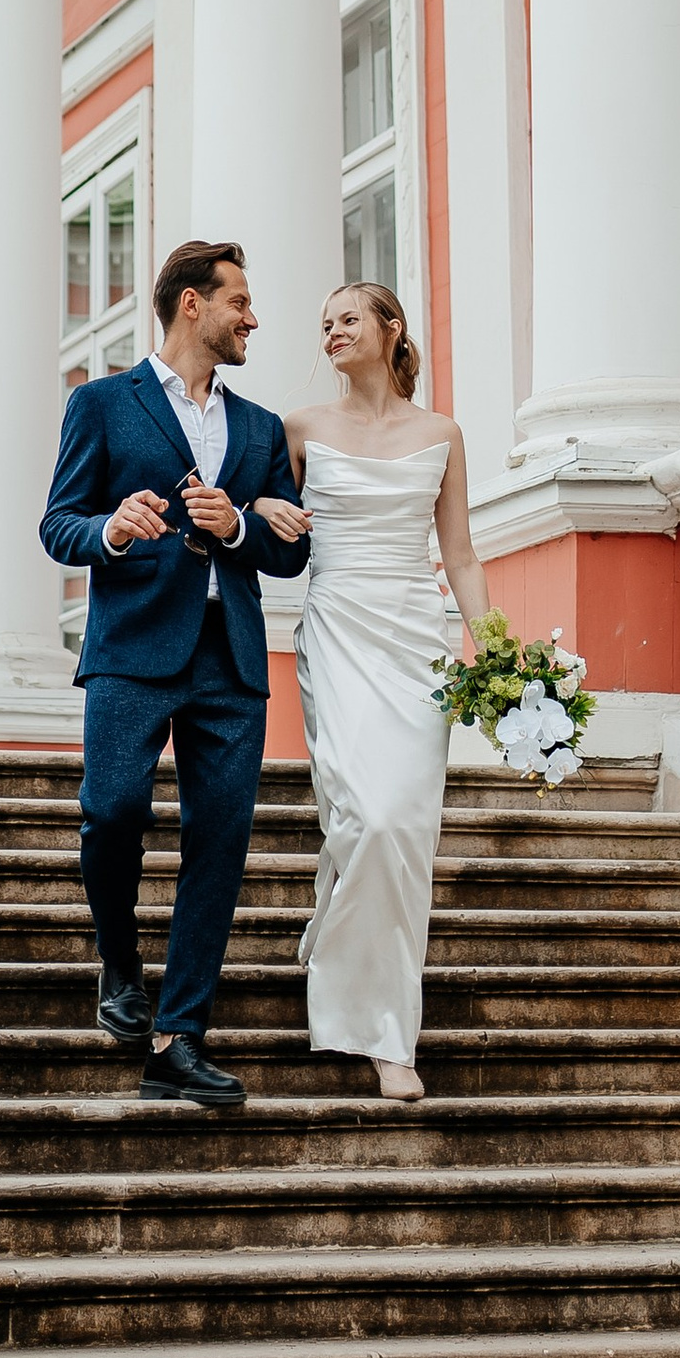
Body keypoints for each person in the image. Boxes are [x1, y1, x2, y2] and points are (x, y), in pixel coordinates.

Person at [38, 238, 310, 1109]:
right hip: (132, 648)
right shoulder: (101, 404)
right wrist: (113, 530)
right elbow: (59, 526)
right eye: (240, 302)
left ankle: (178, 1037)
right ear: (192, 304)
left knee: (220, 846)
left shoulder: (262, 428)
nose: (252, 319)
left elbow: (284, 550)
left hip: (228, 658)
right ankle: (119, 960)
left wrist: (237, 525)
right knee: (112, 809)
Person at [254, 282, 487, 1103]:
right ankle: (357, 993)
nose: (332, 332)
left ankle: (391, 1040)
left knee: (405, 830)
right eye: (323, 324)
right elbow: (259, 512)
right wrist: (263, 508)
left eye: (348, 318)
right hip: (340, 627)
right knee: (368, 815)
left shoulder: (444, 434)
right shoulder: (299, 429)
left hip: (419, 642)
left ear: (391, 328)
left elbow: (458, 554)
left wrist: (493, 653)